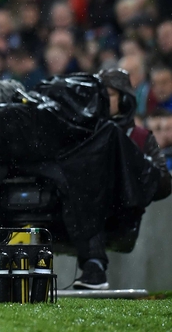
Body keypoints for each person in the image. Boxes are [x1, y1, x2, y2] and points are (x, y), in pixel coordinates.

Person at [72, 68, 172, 289]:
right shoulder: (84, 134)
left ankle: (95, 266)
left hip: (124, 210)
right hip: (85, 210)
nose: (103, 100)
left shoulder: (141, 137)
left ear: (125, 99)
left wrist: (132, 167)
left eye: (109, 94)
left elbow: (164, 183)